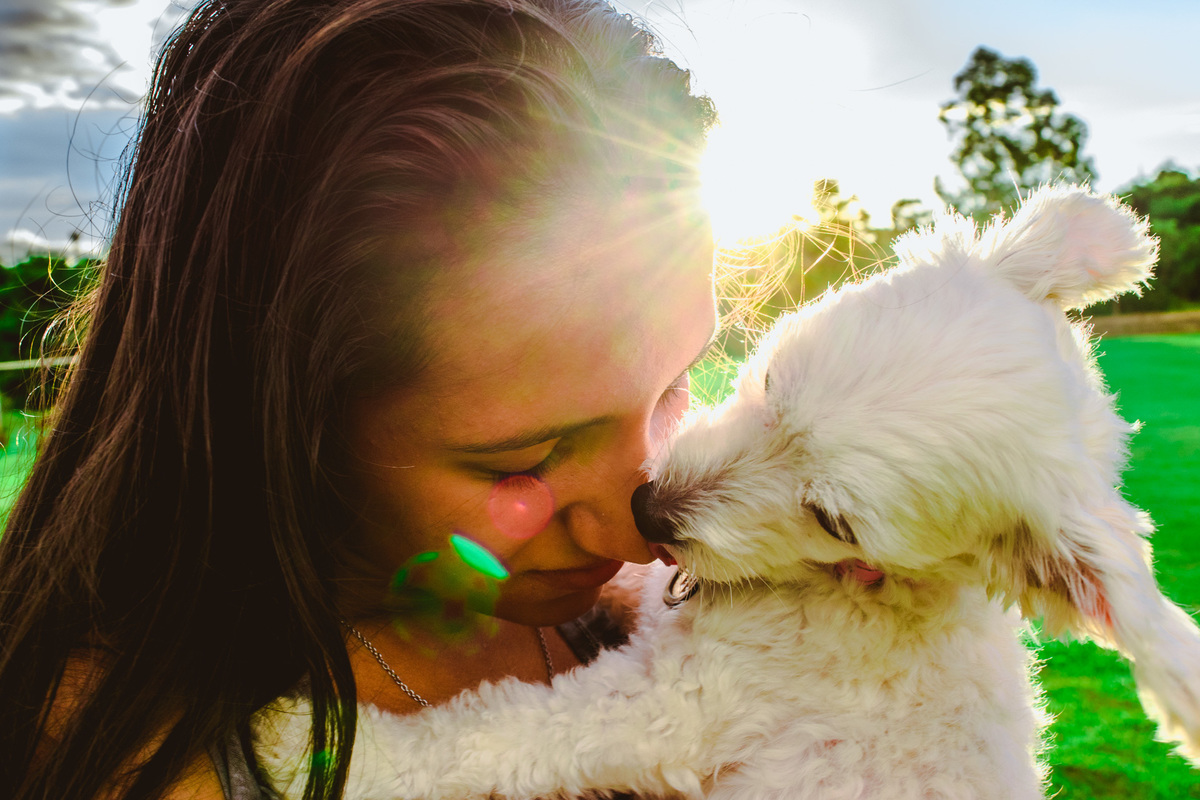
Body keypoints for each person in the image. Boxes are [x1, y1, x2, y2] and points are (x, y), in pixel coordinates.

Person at [0, 0, 720, 798]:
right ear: (288, 413)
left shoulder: (661, 604)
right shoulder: (150, 760)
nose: (642, 536)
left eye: (675, 383)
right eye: (525, 460)